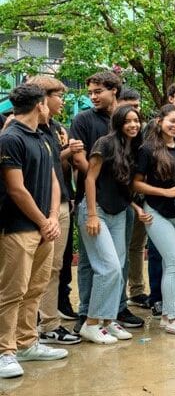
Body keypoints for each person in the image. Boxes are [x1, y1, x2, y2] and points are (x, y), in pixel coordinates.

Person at [0, 83, 67, 379]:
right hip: (17, 227)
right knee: (11, 291)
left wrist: (52, 217)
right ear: (40, 104)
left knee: (34, 289)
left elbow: (53, 180)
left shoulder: (42, 136)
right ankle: (5, 351)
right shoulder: (10, 139)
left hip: (44, 227)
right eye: (48, 103)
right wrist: (43, 221)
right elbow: (16, 189)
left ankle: (27, 344)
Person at [70, 71, 143, 331]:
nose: (93, 97)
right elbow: (83, 162)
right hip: (94, 202)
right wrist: (95, 199)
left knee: (117, 263)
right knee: (94, 263)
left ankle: (115, 312)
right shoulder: (84, 120)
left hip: (122, 204)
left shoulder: (128, 123)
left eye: (98, 91)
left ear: (114, 90)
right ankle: (87, 313)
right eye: (90, 92)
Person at [132, 104, 175, 335]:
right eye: (172, 121)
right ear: (160, 120)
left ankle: (167, 316)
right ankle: (172, 317)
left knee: (173, 263)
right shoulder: (148, 149)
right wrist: (167, 192)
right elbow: (136, 183)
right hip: (157, 211)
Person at [25, 76, 79, 346]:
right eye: (58, 95)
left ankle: (48, 324)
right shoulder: (21, 128)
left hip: (59, 205)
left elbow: (57, 170)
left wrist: (68, 151)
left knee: (52, 268)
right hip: (33, 207)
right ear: (42, 99)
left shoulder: (56, 128)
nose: (63, 100)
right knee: (26, 271)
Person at [117, 87, 149, 308]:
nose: (133, 114)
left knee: (137, 245)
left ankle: (136, 290)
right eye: (128, 107)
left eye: (136, 108)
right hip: (116, 201)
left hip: (140, 199)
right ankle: (117, 300)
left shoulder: (143, 135)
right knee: (119, 251)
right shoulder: (111, 139)